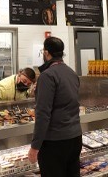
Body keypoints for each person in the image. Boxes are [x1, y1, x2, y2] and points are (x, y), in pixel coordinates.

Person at [27, 37, 81, 177]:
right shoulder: (72, 73)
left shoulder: (47, 76)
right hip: (75, 138)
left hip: (55, 142)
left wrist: (35, 146)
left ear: (46, 53)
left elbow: (43, 113)